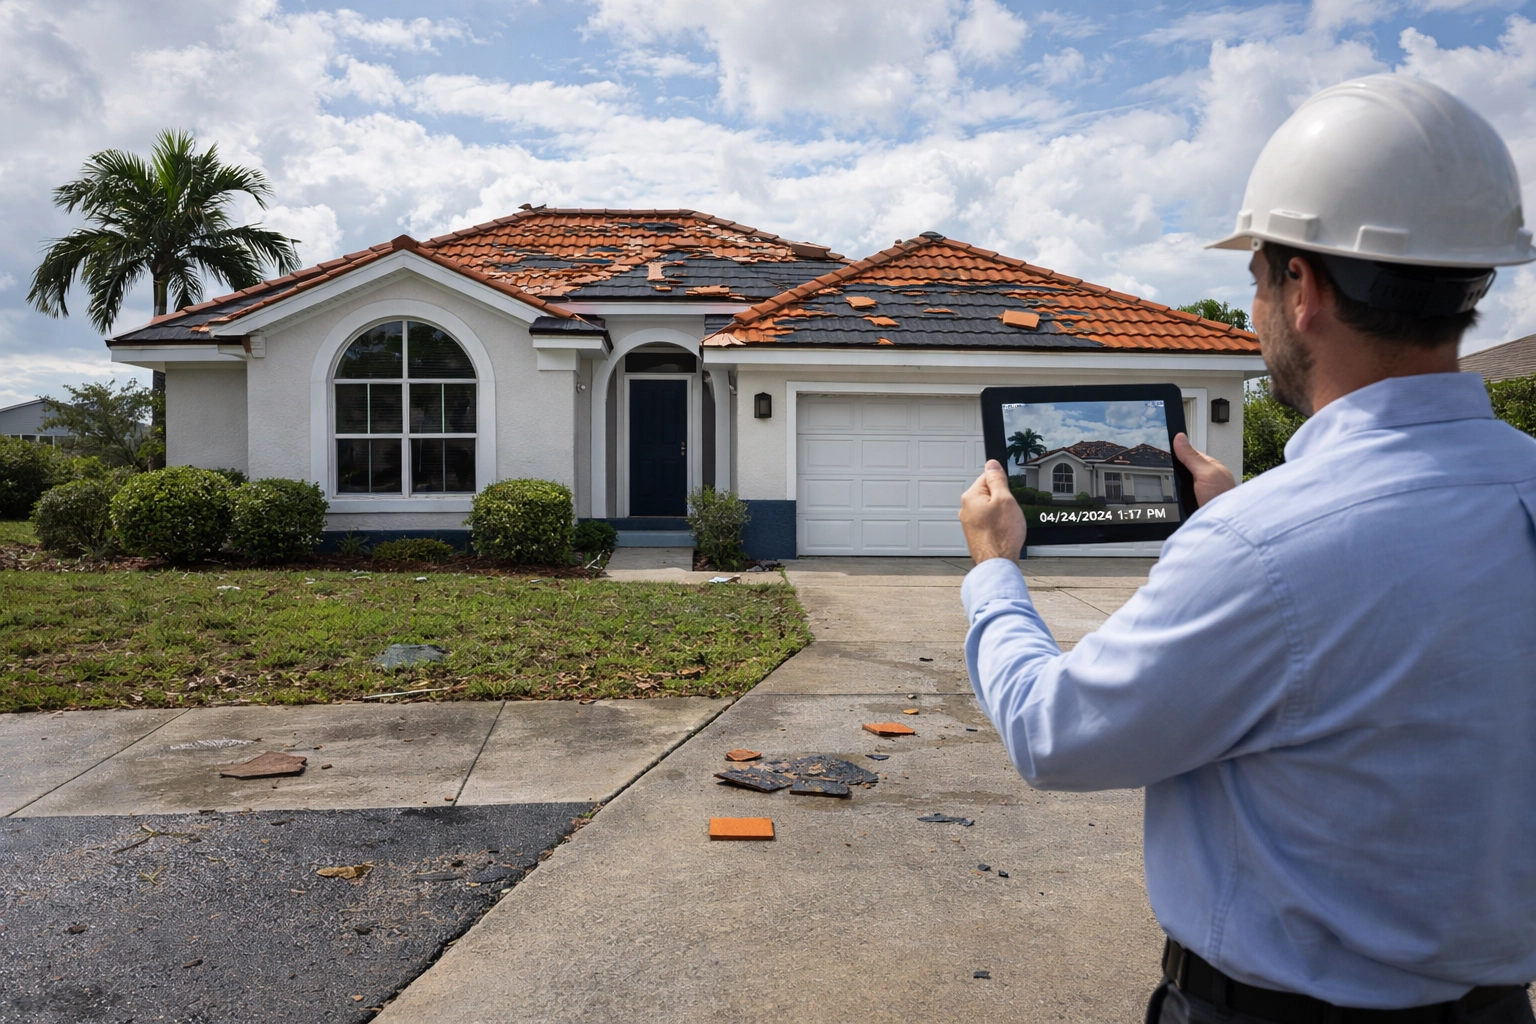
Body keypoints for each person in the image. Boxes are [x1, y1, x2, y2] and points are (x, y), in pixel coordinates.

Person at [958, 74, 1536, 1024]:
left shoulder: (1262, 547)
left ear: (1301, 287)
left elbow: (1053, 734)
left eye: (1256, 277)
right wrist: (1250, 518)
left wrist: (994, 572)